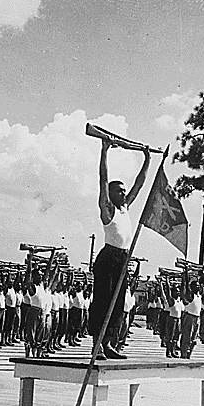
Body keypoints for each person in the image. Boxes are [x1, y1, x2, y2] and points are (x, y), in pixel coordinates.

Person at [89, 137, 150, 361]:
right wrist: (104, 151)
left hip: (123, 259)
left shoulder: (125, 208)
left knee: (117, 305)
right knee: (103, 302)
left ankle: (108, 343)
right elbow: (102, 180)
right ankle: (97, 345)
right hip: (108, 258)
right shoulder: (107, 209)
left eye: (124, 191)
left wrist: (147, 159)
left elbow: (139, 185)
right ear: (112, 194)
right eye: (120, 191)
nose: (124, 194)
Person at [179, 269, 202, 359]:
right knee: (187, 336)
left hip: (197, 318)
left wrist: (203, 273)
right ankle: (184, 353)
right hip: (189, 317)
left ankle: (189, 353)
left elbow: (202, 283)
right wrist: (186, 273)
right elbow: (186, 286)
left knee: (194, 339)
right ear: (192, 287)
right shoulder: (190, 295)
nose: (198, 287)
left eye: (198, 286)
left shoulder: (198, 295)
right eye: (196, 286)